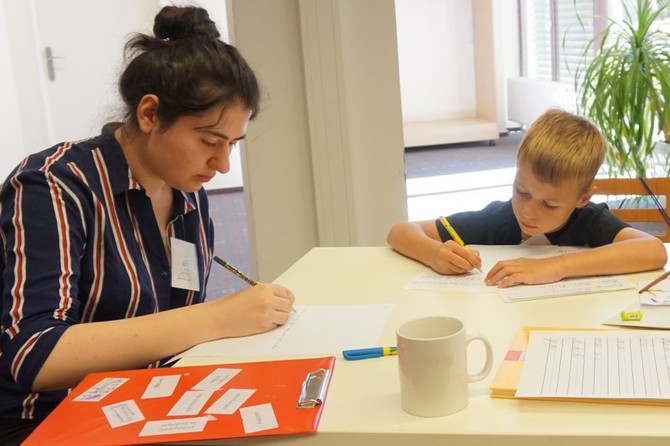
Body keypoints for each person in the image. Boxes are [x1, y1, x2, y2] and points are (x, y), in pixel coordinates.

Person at [0, 6, 295, 443]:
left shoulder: (187, 188)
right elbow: (33, 354)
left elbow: (171, 318)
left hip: (146, 400)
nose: (222, 163)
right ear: (150, 114)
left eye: (232, 144)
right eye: (209, 141)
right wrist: (216, 318)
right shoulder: (54, 186)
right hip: (45, 420)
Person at [387, 108, 668, 288]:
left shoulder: (590, 221)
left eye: (549, 204)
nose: (528, 212)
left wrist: (556, 266)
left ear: (583, 197)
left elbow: (654, 251)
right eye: (522, 191)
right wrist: (434, 253)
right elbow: (399, 232)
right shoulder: (497, 218)